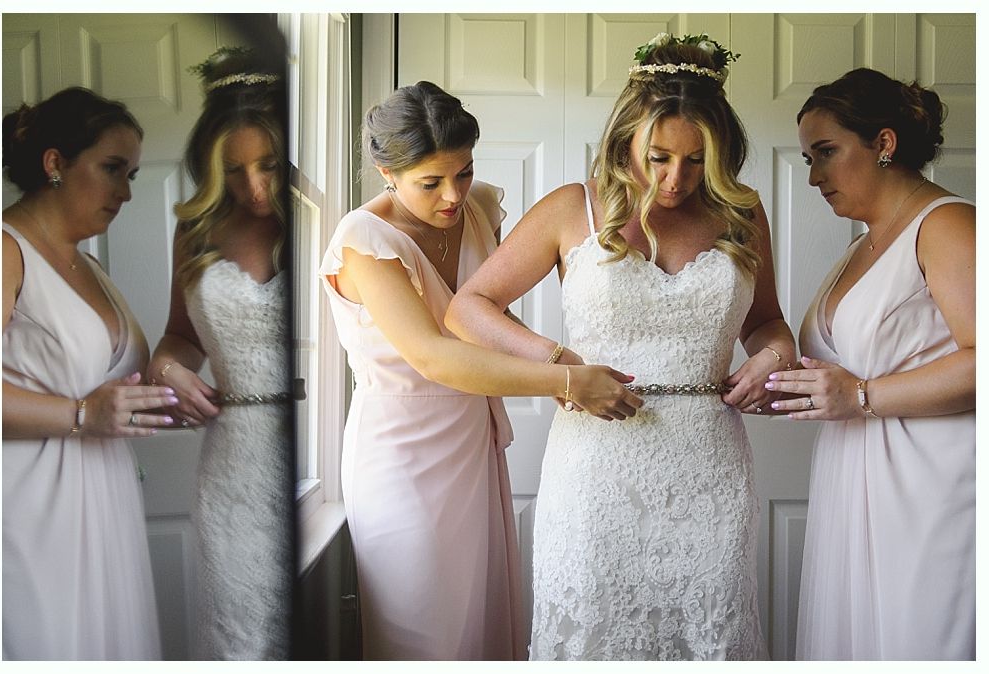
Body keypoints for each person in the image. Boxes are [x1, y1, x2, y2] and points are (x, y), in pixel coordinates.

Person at [447, 33, 796, 660]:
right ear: (625, 137)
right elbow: (466, 308)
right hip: (594, 475)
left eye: (696, 160)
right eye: (659, 157)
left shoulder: (743, 215)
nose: (676, 179)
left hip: (708, 472)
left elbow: (769, 323)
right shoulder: (570, 208)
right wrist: (558, 362)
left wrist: (773, 356)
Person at [321, 80, 643, 660]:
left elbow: (488, 317)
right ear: (385, 174)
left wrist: (557, 354)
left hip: (471, 445)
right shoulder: (363, 240)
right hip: (400, 456)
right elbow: (433, 354)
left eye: (463, 172)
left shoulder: (479, 209)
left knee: (480, 626)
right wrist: (566, 379)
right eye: (430, 182)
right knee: (419, 631)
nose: (452, 195)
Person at [768, 67, 975, 660]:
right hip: (852, 482)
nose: (813, 176)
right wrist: (789, 387)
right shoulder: (863, 242)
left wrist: (861, 397)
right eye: (809, 158)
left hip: (929, 489)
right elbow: (853, 366)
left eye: (825, 153)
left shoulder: (948, 225)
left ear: (884, 143)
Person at [1, 87, 175, 659]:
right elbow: (84, 402)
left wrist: (166, 396)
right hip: (29, 508)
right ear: (55, 163)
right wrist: (80, 414)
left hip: (105, 498)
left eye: (131, 173)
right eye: (112, 169)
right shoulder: (6, 251)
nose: (126, 191)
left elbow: (107, 388)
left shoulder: (91, 266)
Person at [146, 47, 293, 659]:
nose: (254, 187)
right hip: (231, 466)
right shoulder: (197, 230)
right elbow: (179, 335)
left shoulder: (317, 220)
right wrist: (167, 367)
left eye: (268, 164)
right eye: (233, 171)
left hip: (312, 449)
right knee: (239, 635)